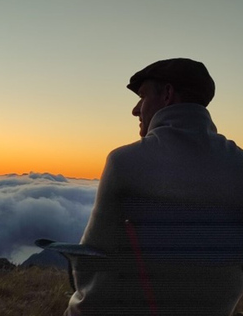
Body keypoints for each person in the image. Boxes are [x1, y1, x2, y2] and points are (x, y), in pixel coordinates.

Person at [65, 58, 243, 315]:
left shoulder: (125, 163)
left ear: (168, 94)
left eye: (142, 97)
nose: (136, 110)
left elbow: (95, 263)